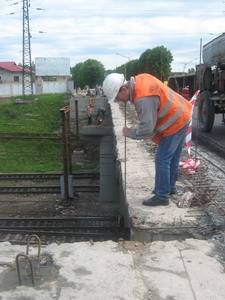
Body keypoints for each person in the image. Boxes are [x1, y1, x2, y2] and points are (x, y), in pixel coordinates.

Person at [103, 73, 192, 206]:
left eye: (117, 97)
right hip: (182, 115)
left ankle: (162, 195)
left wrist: (131, 133)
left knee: (162, 159)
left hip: (175, 122)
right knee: (172, 157)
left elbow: (147, 129)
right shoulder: (140, 80)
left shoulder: (143, 98)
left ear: (124, 89)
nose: (118, 101)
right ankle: (169, 188)